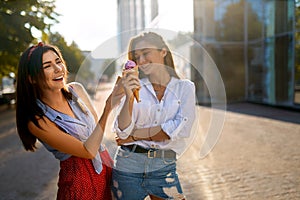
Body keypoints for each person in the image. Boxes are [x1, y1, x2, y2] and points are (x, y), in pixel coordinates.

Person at [15, 42, 124, 200]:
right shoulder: (36, 120)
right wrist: (108, 108)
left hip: (106, 169)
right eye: (47, 66)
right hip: (79, 184)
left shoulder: (76, 90)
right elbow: (88, 151)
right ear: (31, 78)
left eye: (58, 61)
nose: (58, 68)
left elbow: (96, 133)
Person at [111, 32, 196, 200]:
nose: (141, 60)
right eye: (137, 56)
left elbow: (183, 128)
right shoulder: (135, 86)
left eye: (145, 53)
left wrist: (135, 134)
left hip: (163, 166)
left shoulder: (184, 88)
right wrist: (129, 97)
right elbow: (122, 132)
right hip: (128, 165)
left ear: (163, 51)